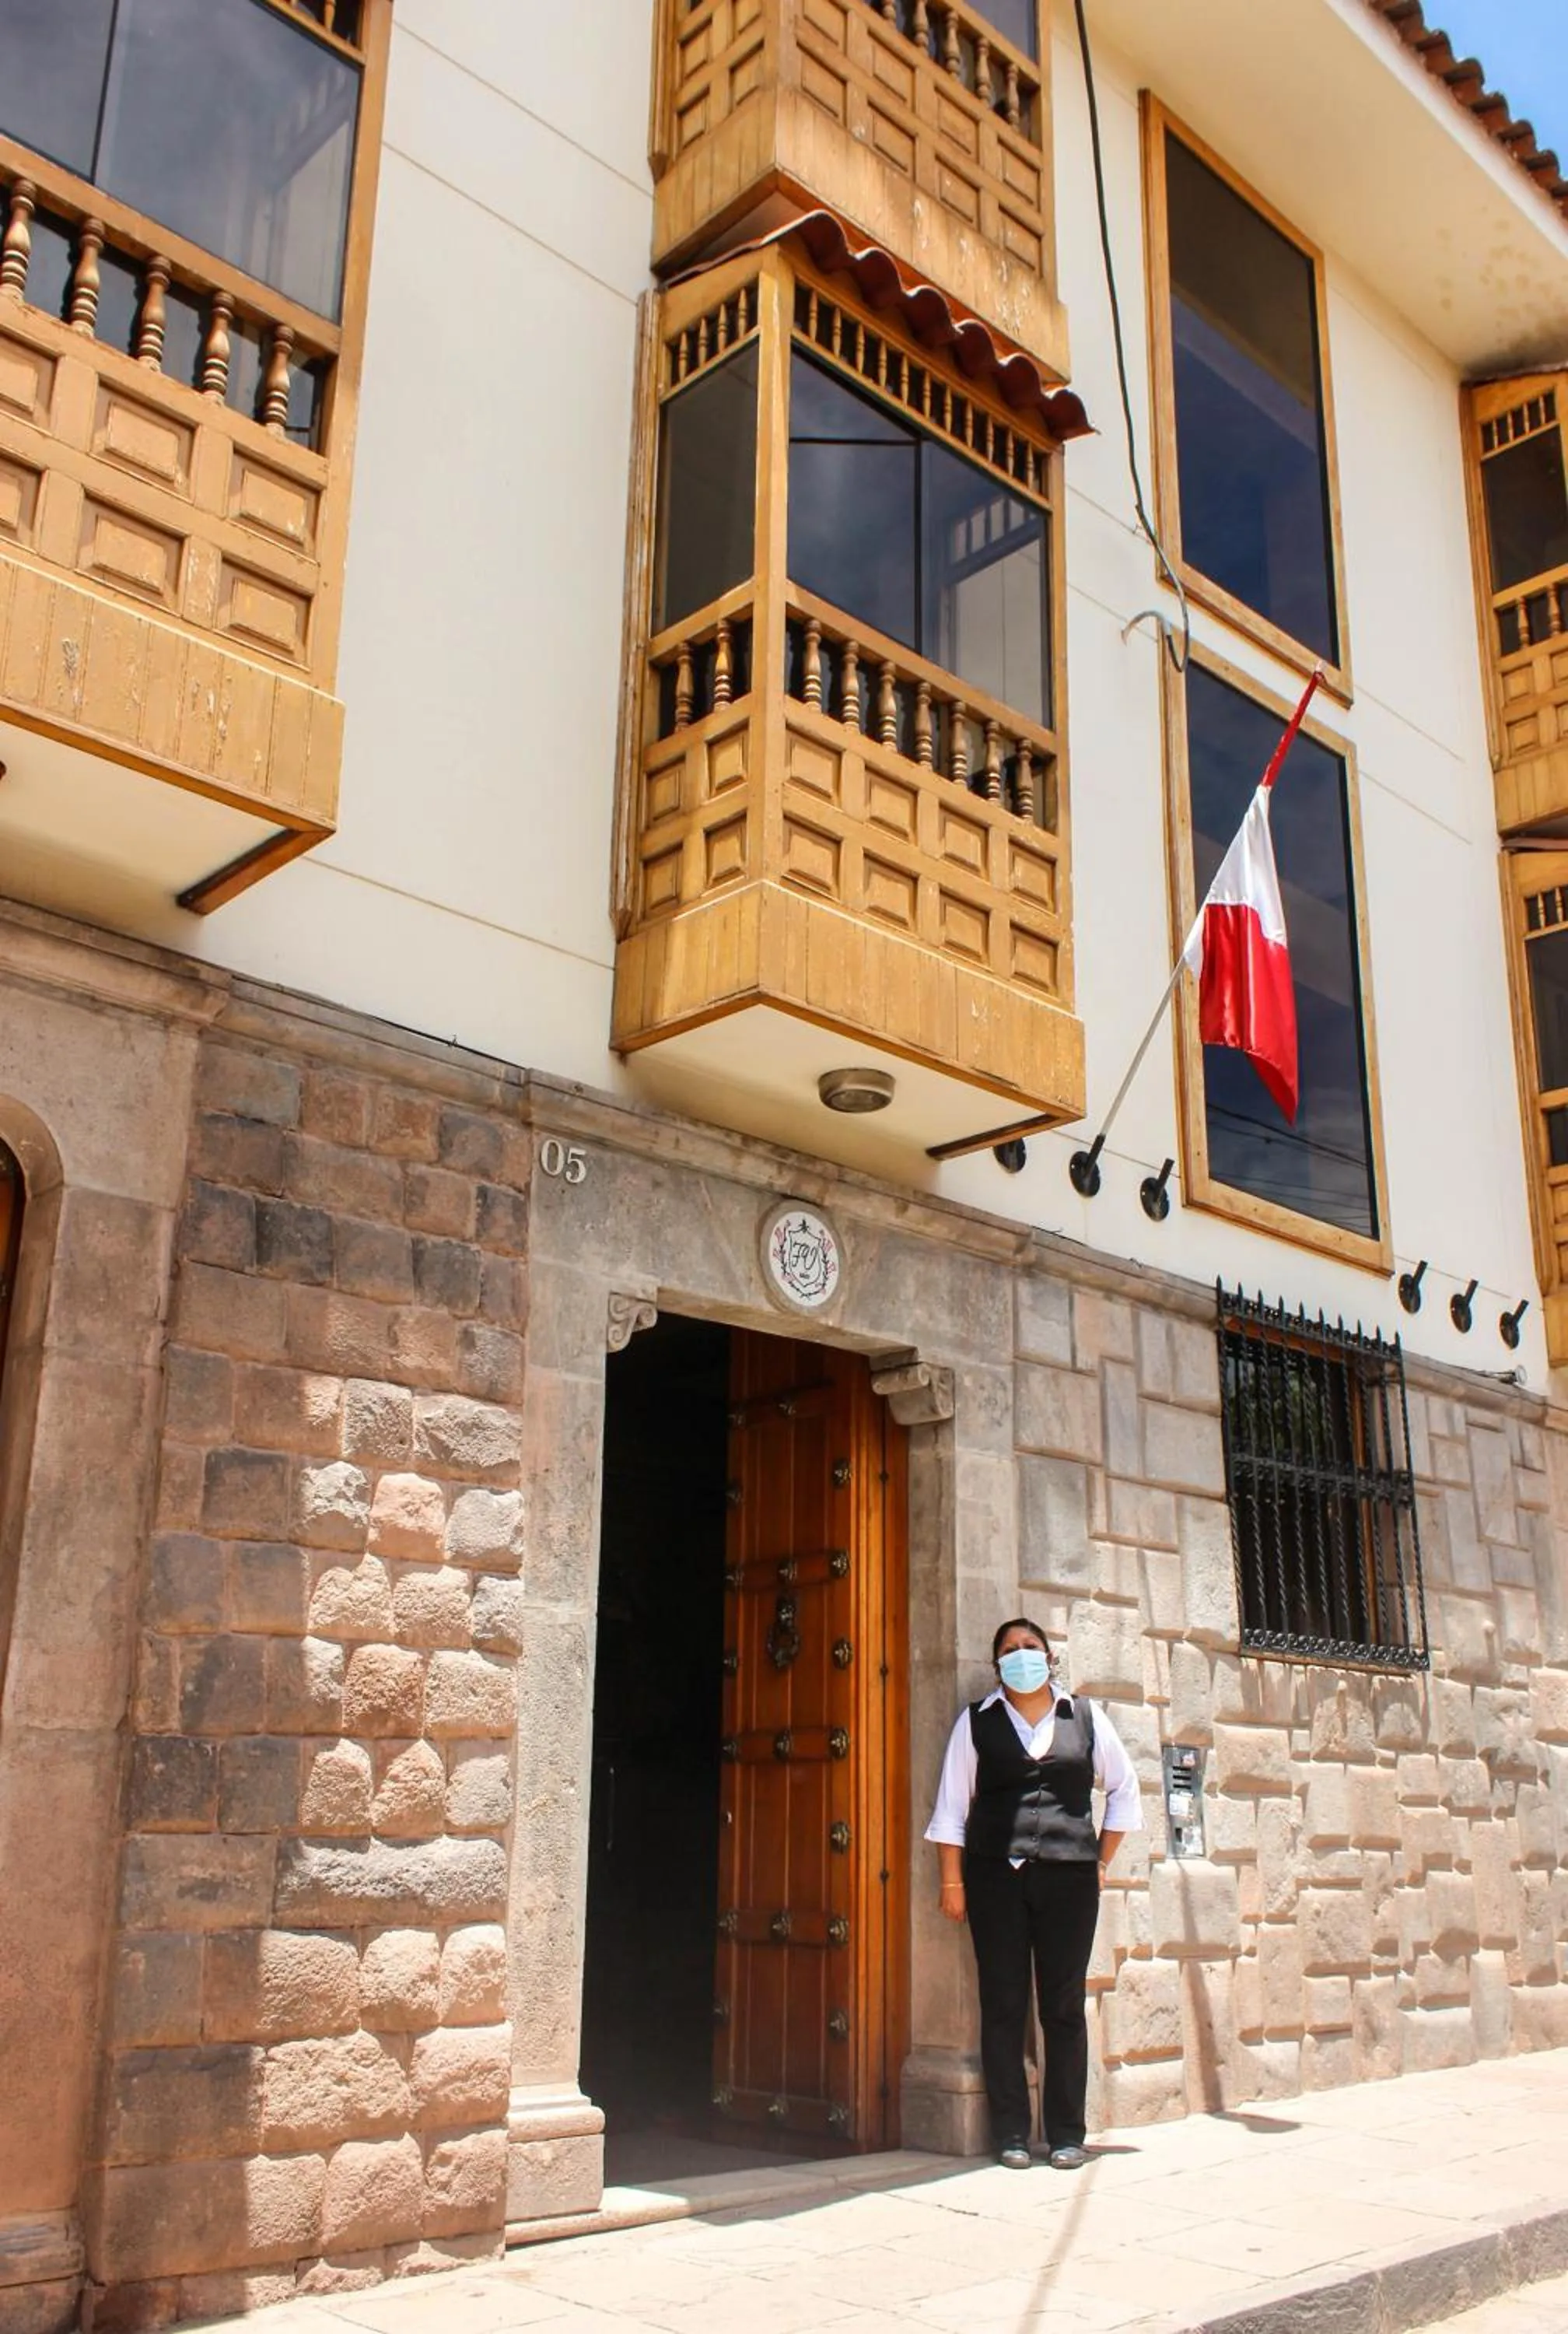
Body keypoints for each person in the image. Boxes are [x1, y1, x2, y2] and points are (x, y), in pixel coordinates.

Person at [926, 1615, 1143, 2171]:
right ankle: (1012, 2135)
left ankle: (1068, 2131)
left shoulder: (1086, 1718)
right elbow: (952, 1810)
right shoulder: (976, 1723)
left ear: (1050, 1659)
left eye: (1030, 1646)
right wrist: (952, 1883)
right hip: (995, 1876)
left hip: (1070, 1878)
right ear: (996, 1663)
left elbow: (1123, 1790)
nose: (1020, 1655)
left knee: (1063, 2004)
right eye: (1009, 1649)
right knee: (1003, 2003)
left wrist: (1100, 1859)